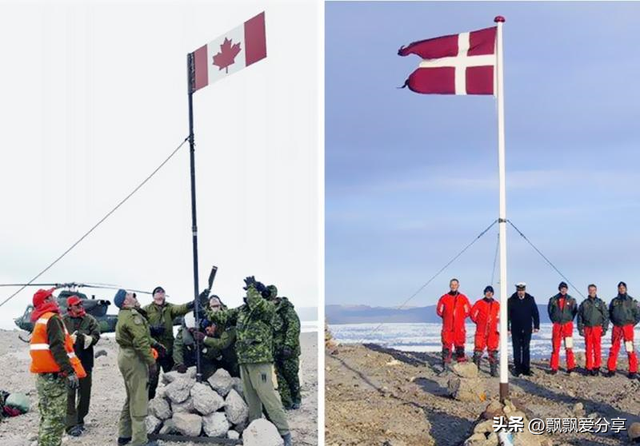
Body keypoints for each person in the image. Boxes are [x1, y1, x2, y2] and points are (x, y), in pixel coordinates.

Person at [205, 277, 292, 446]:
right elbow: (222, 316)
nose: (248, 294)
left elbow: (258, 304)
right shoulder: (242, 310)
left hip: (260, 360)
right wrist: (203, 309)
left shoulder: (267, 307)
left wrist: (253, 287)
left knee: (267, 396)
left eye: (251, 291)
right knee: (251, 399)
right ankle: (256, 430)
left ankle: (284, 433)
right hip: (244, 360)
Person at [29, 288, 86, 446]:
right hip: (54, 380)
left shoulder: (41, 319)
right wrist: (69, 371)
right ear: (46, 301)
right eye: (51, 296)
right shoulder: (52, 319)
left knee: (46, 417)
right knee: (55, 421)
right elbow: (57, 347)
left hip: (44, 378)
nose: (55, 298)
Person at [114, 289, 158, 446]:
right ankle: (140, 441)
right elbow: (140, 342)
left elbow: (142, 336)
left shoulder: (125, 315)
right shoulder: (133, 316)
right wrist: (151, 362)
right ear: (125, 302)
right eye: (131, 296)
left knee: (131, 396)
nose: (134, 296)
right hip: (134, 358)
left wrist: (156, 344)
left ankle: (124, 435)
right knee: (139, 396)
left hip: (125, 356)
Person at [143, 286, 194, 399]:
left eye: (162, 291)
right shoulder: (147, 309)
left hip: (167, 350)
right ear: (153, 296)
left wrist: (191, 304)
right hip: (153, 350)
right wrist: (152, 329)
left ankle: (172, 403)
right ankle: (148, 404)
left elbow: (180, 308)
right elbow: (141, 325)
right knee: (151, 380)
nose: (160, 293)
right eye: (157, 291)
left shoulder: (169, 307)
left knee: (172, 378)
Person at [62, 295, 101, 436]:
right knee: (70, 394)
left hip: (85, 363)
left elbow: (96, 334)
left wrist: (91, 339)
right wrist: (67, 340)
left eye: (80, 304)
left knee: (85, 394)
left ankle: (80, 419)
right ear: (69, 307)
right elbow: (58, 337)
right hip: (70, 364)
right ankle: (71, 424)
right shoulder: (63, 320)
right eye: (76, 304)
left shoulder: (90, 320)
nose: (80, 306)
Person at [268, 285, 302, 410]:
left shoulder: (285, 308)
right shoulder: (268, 310)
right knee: (280, 377)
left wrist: (288, 345)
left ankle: (296, 399)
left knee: (291, 375)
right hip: (276, 350)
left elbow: (294, 326)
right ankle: (287, 402)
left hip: (289, 351)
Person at [606, 281, 640, 379]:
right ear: (618, 289)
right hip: (617, 327)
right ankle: (611, 369)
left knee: (629, 348)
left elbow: (638, 314)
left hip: (627, 327)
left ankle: (632, 371)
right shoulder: (614, 301)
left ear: (626, 289)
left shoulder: (632, 301)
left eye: (623, 288)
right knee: (614, 348)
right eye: (620, 288)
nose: (621, 289)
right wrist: (614, 322)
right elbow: (610, 313)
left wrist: (632, 324)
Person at [436, 278, 471, 367]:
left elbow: (468, 311)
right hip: (447, 327)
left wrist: (460, 318)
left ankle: (461, 365)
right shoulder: (444, 298)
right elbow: (439, 311)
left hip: (459, 327)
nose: (453, 286)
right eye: (452, 284)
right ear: (449, 285)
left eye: (455, 285)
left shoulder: (463, 298)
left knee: (460, 345)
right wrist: (447, 317)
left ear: (458, 286)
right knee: (446, 345)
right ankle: (446, 365)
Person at [507, 283, 540, 377]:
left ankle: (526, 369)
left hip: (527, 328)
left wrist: (536, 326)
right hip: (515, 328)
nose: (520, 292)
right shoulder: (511, 300)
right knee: (516, 348)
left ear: (524, 290)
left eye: (522, 290)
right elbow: (507, 315)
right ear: (517, 290)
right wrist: (507, 328)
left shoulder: (530, 299)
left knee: (526, 348)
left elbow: (535, 313)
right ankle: (518, 369)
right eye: (519, 290)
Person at [577, 284, 609, 376]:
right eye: (590, 290)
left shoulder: (600, 303)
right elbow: (579, 316)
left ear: (596, 290)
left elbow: (606, 316)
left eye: (593, 290)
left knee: (597, 348)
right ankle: (588, 367)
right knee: (588, 348)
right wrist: (580, 328)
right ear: (588, 291)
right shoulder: (584, 303)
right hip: (587, 328)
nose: (592, 292)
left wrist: (605, 328)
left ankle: (596, 367)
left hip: (597, 328)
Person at [547, 282, 578, 375]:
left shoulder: (571, 300)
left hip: (567, 325)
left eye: (565, 288)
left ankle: (571, 367)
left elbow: (574, 311)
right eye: (561, 288)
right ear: (559, 289)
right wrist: (554, 320)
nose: (563, 290)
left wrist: (569, 319)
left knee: (568, 346)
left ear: (567, 289)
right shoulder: (553, 299)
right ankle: (554, 367)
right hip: (557, 325)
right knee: (555, 346)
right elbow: (550, 311)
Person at [470, 285, 500, 377]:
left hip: (492, 331)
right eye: (487, 292)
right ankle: (475, 370)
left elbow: (499, 315)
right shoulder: (479, 303)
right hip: (481, 330)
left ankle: (493, 371)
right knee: (478, 350)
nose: (489, 293)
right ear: (484, 293)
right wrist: (479, 322)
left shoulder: (497, 304)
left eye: (490, 292)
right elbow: (472, 314)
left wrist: (495, 322)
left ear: (493, 293)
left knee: (493, 350)